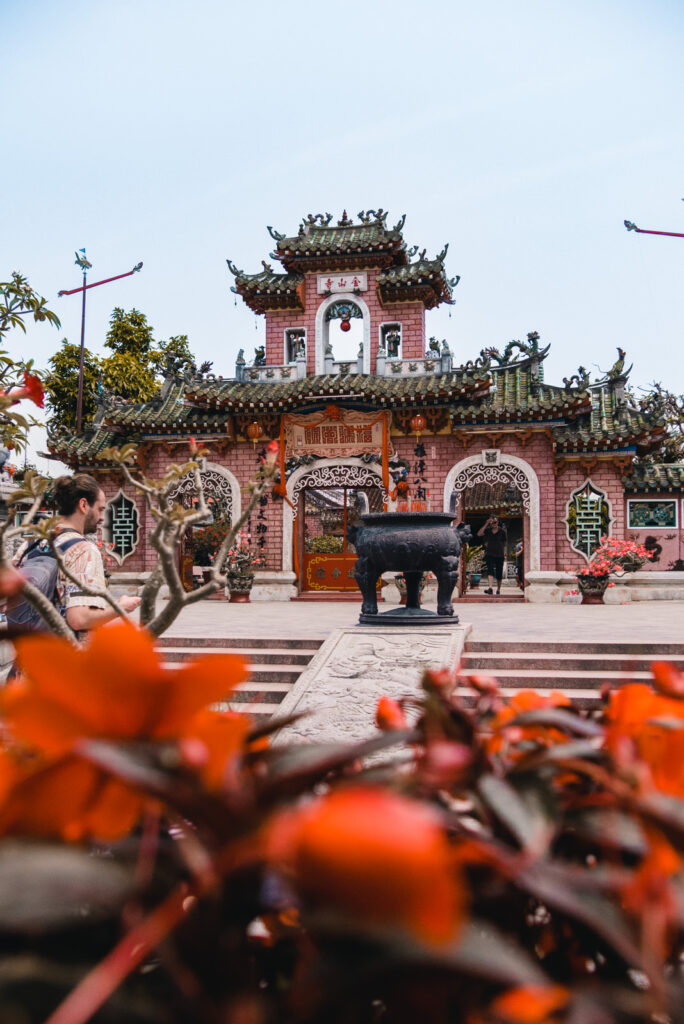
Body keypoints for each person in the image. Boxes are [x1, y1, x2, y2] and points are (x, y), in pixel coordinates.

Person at [23, 474, 141, 638]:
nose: (101, 517)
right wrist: (122, 606)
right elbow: (79, 619)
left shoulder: (31, 544)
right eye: (100, 509)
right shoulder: (83, 550)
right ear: (84, 505)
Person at [477, 515, 507, 596]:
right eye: (492, 522)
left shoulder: (502, 531)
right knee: (490, 570)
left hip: (499, 554)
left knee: (499, 573)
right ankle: (490, 588)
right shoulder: (487, 530)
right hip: (490, 553)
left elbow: (504, 543)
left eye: (495, 522)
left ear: (498, 522)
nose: (493, 524)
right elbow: (479, 534)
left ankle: (498, 589)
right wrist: (486, 523)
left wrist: (498, 546)